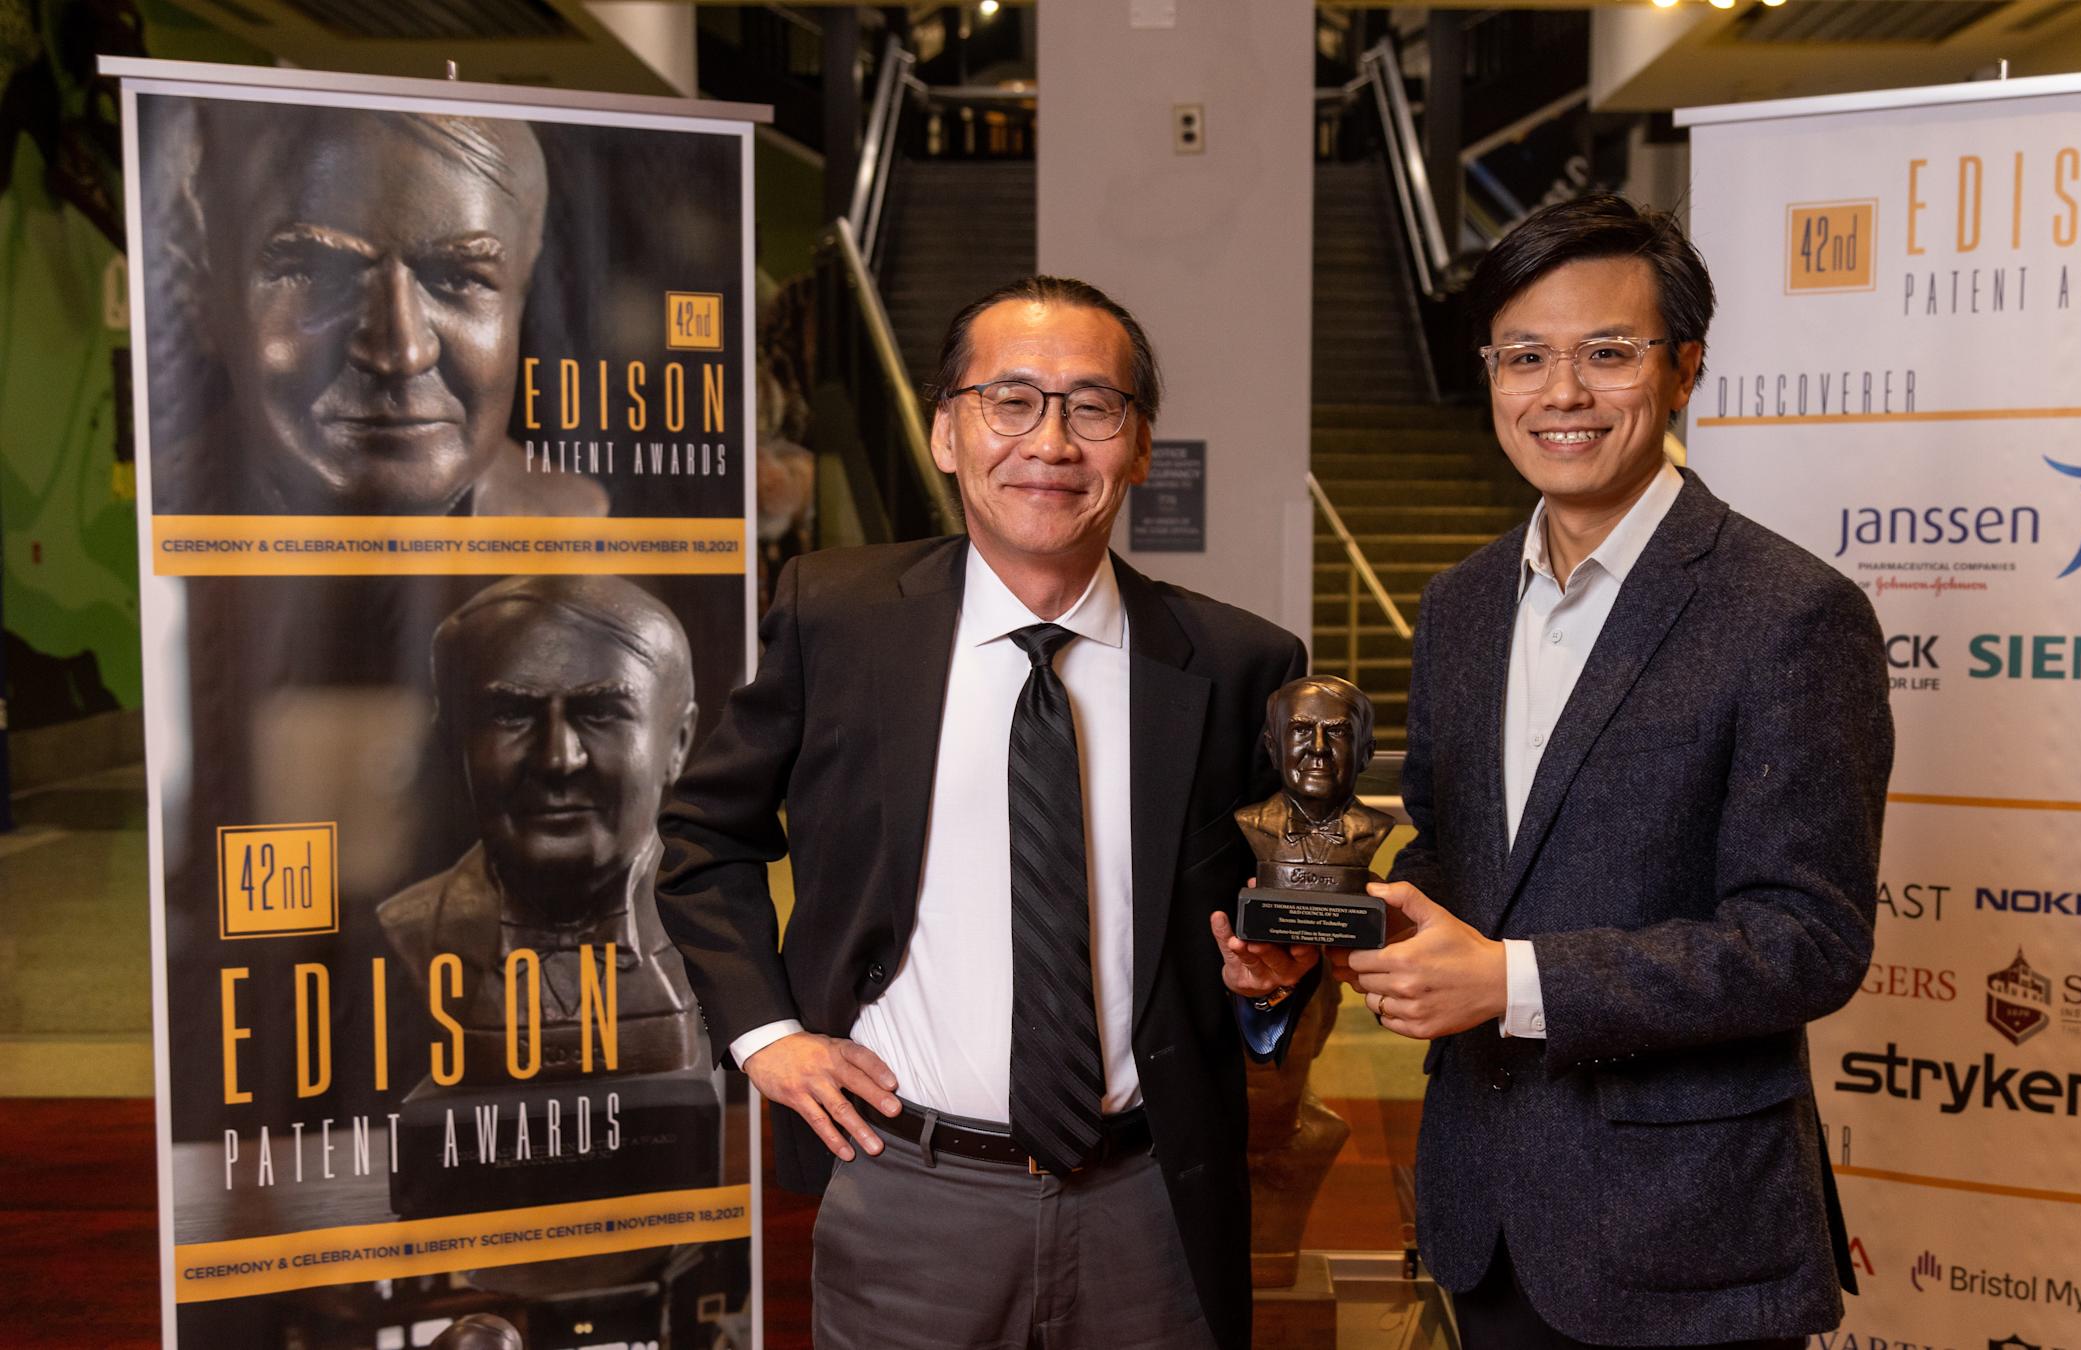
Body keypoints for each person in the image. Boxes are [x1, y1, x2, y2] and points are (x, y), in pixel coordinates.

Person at [656, 275, 1319, 1350]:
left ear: (1139, 446)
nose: (1050, 442)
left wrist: (1273, 984)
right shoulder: (839, 618)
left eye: (1092, 406)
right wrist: (766, 1036)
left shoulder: (1240, 665)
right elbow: (702, 837)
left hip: (1152, 1199)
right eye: (1010, 400)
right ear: (946, 435)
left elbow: (1277, 919)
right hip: (908, 1193)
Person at [1335, 193, 1893, 1348]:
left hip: (1685, 1235)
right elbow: (1454, 857)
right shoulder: (1462, 606)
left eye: (1608, 353)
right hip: (1487, 1212)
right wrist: (1354, 931)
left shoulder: (1791, 614)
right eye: (1525, 356)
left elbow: (1807, 939)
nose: (1563, 393)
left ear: (1684, 369)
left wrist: (1511, 983)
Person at [167, 101, 601, 516]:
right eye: (321, 275)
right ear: (210, 298)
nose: (403, 353)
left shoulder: (576, 530)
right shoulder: (143, 518)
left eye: (459, 278)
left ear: (519, 299)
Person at [380, 575, 705, 1082]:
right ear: (452, 745)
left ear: (678, 743)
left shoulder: (720, 933)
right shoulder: (404, 938)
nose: (559, 759)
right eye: (512, 715)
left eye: (600, 713)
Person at [1234, 675, 1395, 882]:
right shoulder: (1250, 822)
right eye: (1301, 730)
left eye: (1337, 731)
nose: (1319, 747)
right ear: (1273, 749)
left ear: (1366, 754)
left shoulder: (1377, 827)